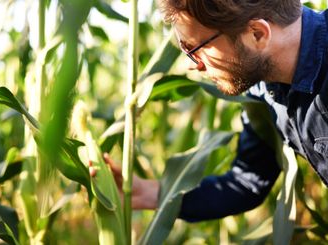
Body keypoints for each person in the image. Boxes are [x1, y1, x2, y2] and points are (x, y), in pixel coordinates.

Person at [93, 0, 328, 222]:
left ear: (257, 33)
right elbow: (247, 182)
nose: (193, 64)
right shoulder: (262, 91)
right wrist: (147, 193)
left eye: (194, 48)